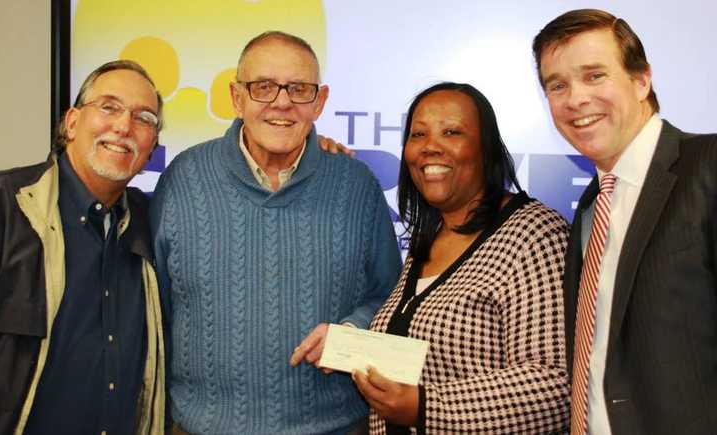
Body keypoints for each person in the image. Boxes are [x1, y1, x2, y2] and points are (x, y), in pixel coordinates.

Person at [150, 31, 402, 434]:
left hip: (334, 428)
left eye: (299, 89)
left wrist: (352, 332)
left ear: (319, 102)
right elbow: (153, 305)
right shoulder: (183, 178)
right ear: (237, 98)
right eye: (263, 87)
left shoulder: (357, 186)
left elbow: (391, 297)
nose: (281, 102)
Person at [532, 9, 717, 435]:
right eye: (557, 85)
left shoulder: (706, 167)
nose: (575, 98)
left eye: (594, 75)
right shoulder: (590, 206)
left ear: (641, 80)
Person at [352, 82, 571, 434]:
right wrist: (342, 344)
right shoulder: (431, 237)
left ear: (485, 150)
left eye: (452, 132)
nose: (430, 147)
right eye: (418, 134)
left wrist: (425, 408)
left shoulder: (535, 234)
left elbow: (555, 385)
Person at [0, 60, 166, 435]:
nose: (124, 126)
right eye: (109, 107)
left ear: (152, 146)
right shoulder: (7, 206)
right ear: (71, 122)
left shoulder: (153, 222)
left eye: (144, 119)